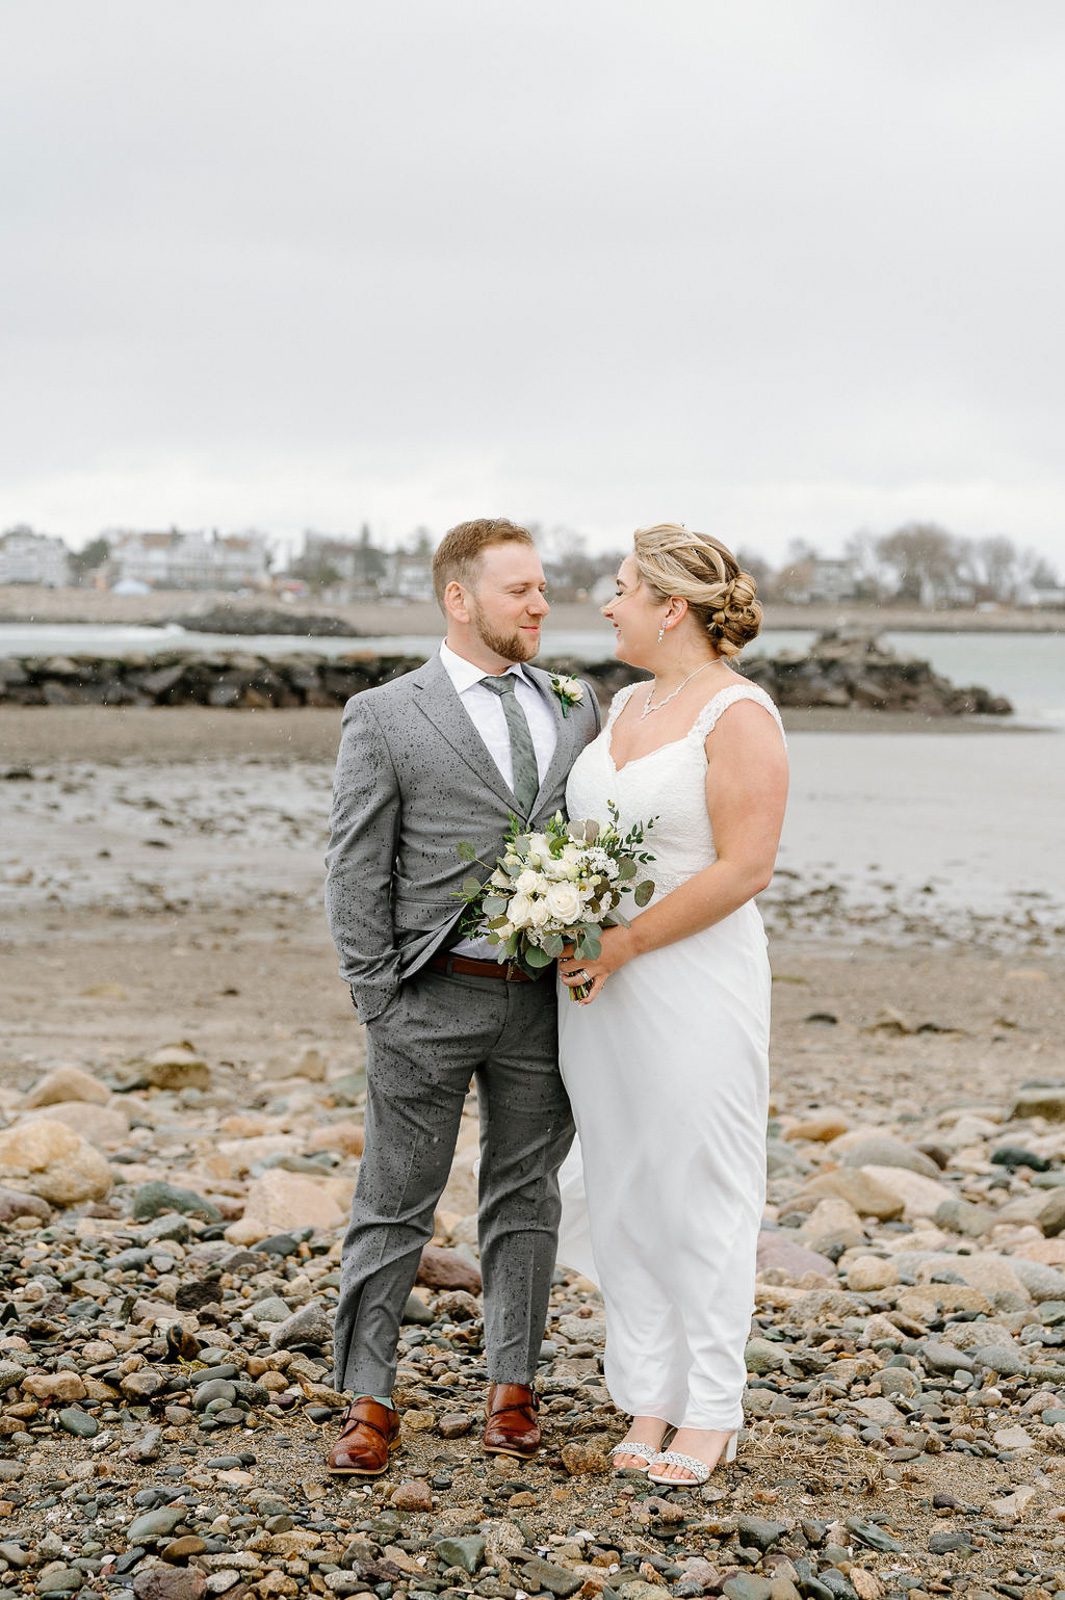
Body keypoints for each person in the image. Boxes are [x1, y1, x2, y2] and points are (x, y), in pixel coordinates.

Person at [323, 516, 601, 1476]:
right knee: (393, 1202)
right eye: (520, 589)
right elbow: (354, 868)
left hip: (541, 1004)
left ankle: (512, 1391)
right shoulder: (387, 713)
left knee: (525, 1197)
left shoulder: (576, 703)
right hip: (425, 999)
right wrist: (377, 1000)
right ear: (459, 597)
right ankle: (366, 1401)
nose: (541, 604)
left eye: (541, 587)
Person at [555, 522, 788, 1488]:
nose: (605, 605)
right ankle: (650, 1392)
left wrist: (626, 941)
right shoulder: (623, 707)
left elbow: (746, 867)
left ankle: (713, 1408)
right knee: (623, 1183)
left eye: (618, 588)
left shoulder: (736, 714)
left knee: (700, 1186)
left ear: (669, 606)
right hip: (599, 991)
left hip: (691, 980)